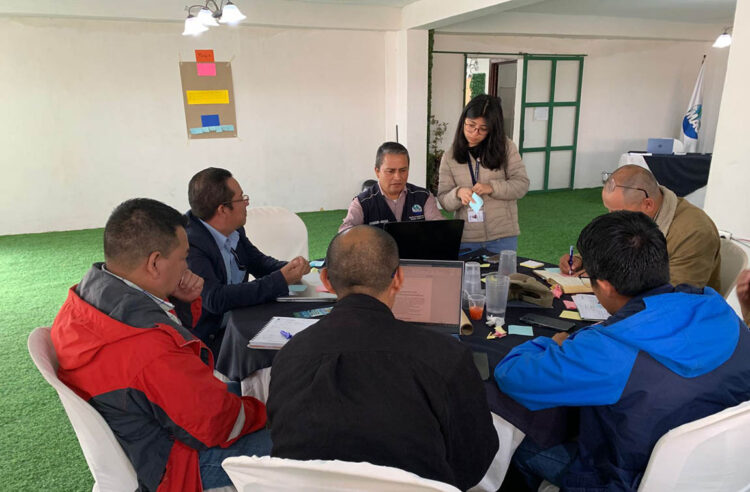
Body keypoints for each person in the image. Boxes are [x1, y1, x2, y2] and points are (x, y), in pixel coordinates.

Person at [495, 211, 750, 490]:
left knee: (519, 445)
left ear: (605, 286)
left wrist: (552, 343)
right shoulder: (717, 307)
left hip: (627, 479)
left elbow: (512, 376)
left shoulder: (608, 349)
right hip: (725, 469)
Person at [51, 198, 271, 492]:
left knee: (241, 390)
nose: (187, 267)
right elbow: (219, 425)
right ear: (155, 263)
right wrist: (270, 411)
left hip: (142, 429)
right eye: (183, 258)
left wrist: (180, 303)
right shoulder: (148, 347)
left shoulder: (84, 297)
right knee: (301, 437)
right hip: (175, 464)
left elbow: (163, 370)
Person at [266, 225, 498, 490]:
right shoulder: (446, 357)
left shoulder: (289, 355)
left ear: (326, 281)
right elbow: (473, 462)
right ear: (398, 278)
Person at [185, 167, 310, 354]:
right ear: (222, 210)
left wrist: (290, 267)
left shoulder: (233, 228)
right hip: (210, 339)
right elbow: (215, 299)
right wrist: (280, 279)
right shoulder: (190, 244)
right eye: (241, 198)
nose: (247, 203)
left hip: (238, 320)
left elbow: (257, 262)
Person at [560, 164, 721, 289]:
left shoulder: (693, 233)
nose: (612, 219)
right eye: (609, 210)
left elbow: (674, 296)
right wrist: (582, 260)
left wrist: (610, 280)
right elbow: (613, 247)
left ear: (648, 204)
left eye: (617, 212)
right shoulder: (637, 217)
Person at [437, 94, 529, 253]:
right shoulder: (450, 156)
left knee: (503, 271)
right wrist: (458, 193)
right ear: (463, 121)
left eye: (483, 129)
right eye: (470, 125)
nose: (474, 133)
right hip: (467, 238)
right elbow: (444, 200)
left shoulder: (506, 148)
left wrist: (492, 188)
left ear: (493, 128)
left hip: (502, 237)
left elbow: (521, 185)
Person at [339, 142, 443, 232]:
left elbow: (440, 228)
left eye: (403, 170)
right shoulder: (362, 202)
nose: (397, 177)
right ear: (377, 172)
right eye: (390, 171)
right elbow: (345, 233)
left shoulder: (424, 197)